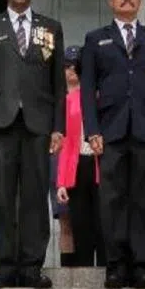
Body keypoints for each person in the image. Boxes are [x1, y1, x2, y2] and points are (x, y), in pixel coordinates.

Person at [0, 0, 64, 289]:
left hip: (38, 125)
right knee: (2, 198)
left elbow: (58, 85)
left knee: (36, 197)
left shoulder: (50, 28)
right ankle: (4, 267)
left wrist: (58, 127)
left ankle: (31, 267)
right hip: (0, 124)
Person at [80, 0, 145, 289]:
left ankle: (143, 264)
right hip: (111, 131)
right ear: (110, 0)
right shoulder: (95, 39)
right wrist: (92, 130)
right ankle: (116, 264)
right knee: (113, 200)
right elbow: (87, 89)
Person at [54, 46, 104, 268]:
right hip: (78, 166)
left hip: (102, 165)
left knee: (104, 225)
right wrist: (61, 182)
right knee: (81, 226)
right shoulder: (68, 100)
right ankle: (84, 277)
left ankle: (107, 271)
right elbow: (65, 144)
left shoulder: (102, 96)